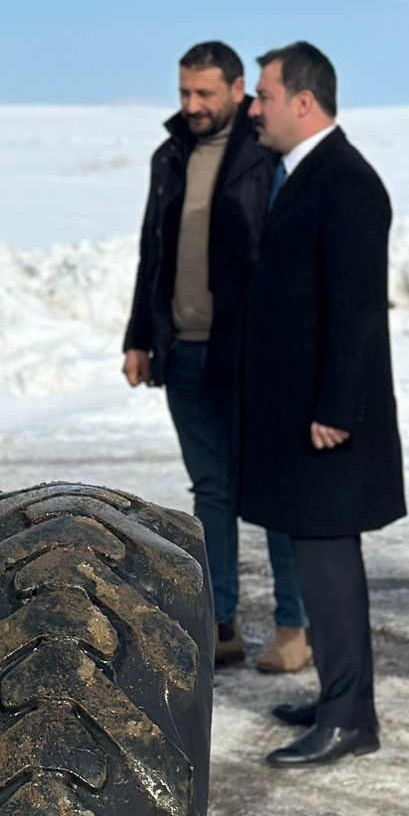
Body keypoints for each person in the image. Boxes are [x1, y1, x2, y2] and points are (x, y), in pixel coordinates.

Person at [239, 42, 404, 768]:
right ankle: (338, 695)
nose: (255, 107)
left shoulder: (347, 182)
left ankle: (350, 715)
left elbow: (358, 309)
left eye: (265, 95)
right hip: (301, 412)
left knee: (331, 563)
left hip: (332, 420)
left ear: (303, 102)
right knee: (313, 559)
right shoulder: (300, 175)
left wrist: (336, 406)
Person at [122, 40, 309, 671]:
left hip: (248, 351)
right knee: (212, 491)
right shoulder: (169, 157)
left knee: (275, 489)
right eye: (184, 94)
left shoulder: (265, 156)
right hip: (182, 351)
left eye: (205, 93)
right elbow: (153, 253)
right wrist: (138, 337)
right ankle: (219, 621)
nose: (193, 105)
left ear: (237, 91)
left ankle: (295, 624)